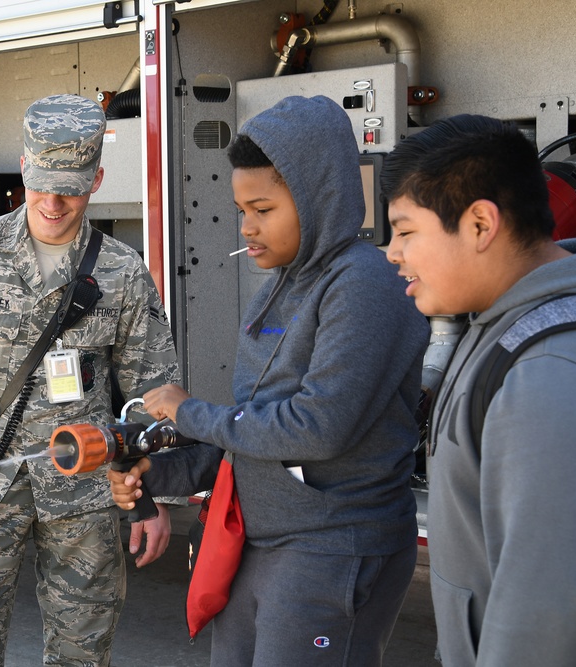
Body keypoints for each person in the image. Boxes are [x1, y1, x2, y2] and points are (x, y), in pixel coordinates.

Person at [109, 95, 430, 666]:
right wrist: (155, 473)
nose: (247, 227)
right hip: (262, 542)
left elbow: (317, 428)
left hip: (333, 547)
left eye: (262, 208)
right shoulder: (279, 287)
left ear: (317, 197)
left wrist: (189, 413)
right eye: (241, 209)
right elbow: (252, 438)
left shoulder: (364, 286)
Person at [0, 93, 180, 667]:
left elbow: (154, 387)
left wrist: (152, 494)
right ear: (24, 164)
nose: (52, 201)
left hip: (84, 492)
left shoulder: (121, 271)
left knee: (84, 652)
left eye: (70, 187)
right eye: (42, 183)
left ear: (97, 177)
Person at [380, 114, 576, 666]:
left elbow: (543, 619)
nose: (391, 251)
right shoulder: (503, 322)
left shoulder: (550, 369)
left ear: (481, 224)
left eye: (406, 231)